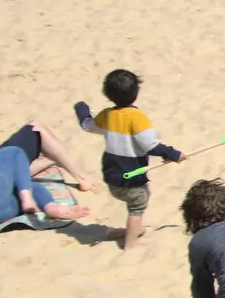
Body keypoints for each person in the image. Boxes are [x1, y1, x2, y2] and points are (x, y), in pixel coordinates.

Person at [75, 69, 183, 250]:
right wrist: (173, 153)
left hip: (112, 176)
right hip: (131, 176)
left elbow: (87, 125)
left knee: (136, 201)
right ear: (135, 93)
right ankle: (130, 243)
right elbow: (150, 145)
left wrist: (82, 111)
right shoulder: (137, 117)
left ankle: (133, 229)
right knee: (138, 204)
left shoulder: (107, 115)